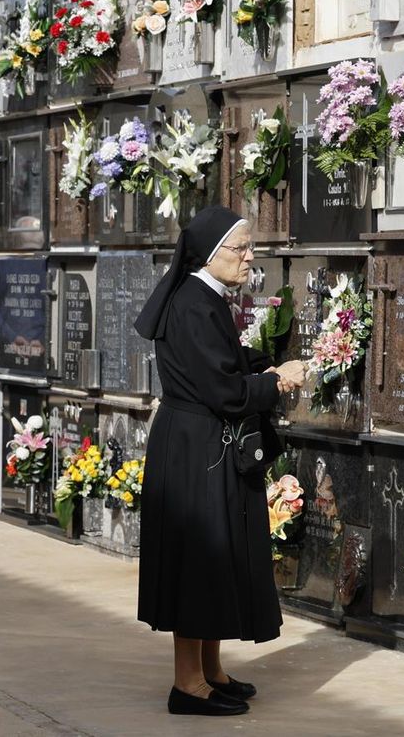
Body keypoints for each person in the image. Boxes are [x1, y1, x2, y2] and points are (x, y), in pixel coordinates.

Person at [132, 206, 306, 717]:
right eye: (242, 249)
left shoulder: (203, 298)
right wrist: (277, 382)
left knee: (214, 558)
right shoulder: (194, 303)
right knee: (198, 560)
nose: (250, 257)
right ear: (212, 254)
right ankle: (187, 684)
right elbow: (223, 392)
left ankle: (210, 670)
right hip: (196, 446)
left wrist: (259, 369)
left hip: (199, 442)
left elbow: (220, 367)